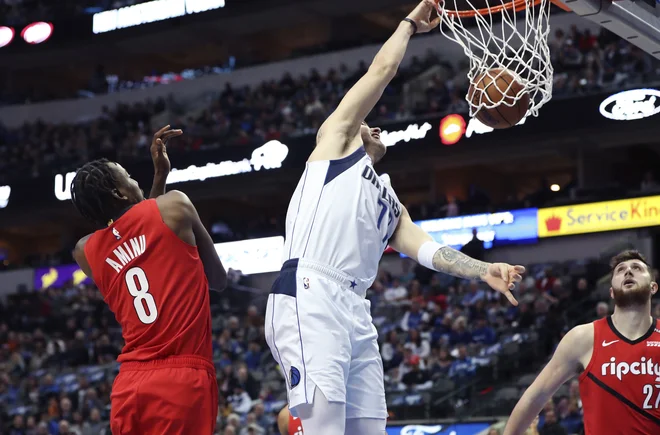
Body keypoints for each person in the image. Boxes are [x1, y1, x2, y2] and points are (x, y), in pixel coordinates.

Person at [264, 1, 525, 433]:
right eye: (368, 121)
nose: (373, 123)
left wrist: (484, 270)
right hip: (310, 290)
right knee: (321, 427)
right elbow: (380, 73)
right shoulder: (335, 141)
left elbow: (427, 250)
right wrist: (408, 25)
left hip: (355, 307)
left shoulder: (389, 199)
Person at [70, 125, 227, 435]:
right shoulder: (176, 204)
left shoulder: (84, 251)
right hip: (181, 379)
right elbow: (218, 279)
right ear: (118, 191)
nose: (135, 180)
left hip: (129, 386)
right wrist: (162, 180)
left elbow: (142, 232)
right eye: (128, 176)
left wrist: (158, 180)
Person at [504, 250, 660, 435]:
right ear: (611, 292)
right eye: (620, 270)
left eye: (636, 268)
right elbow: (535, 397)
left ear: (653, 287)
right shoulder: (583, 338)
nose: (628, 272)